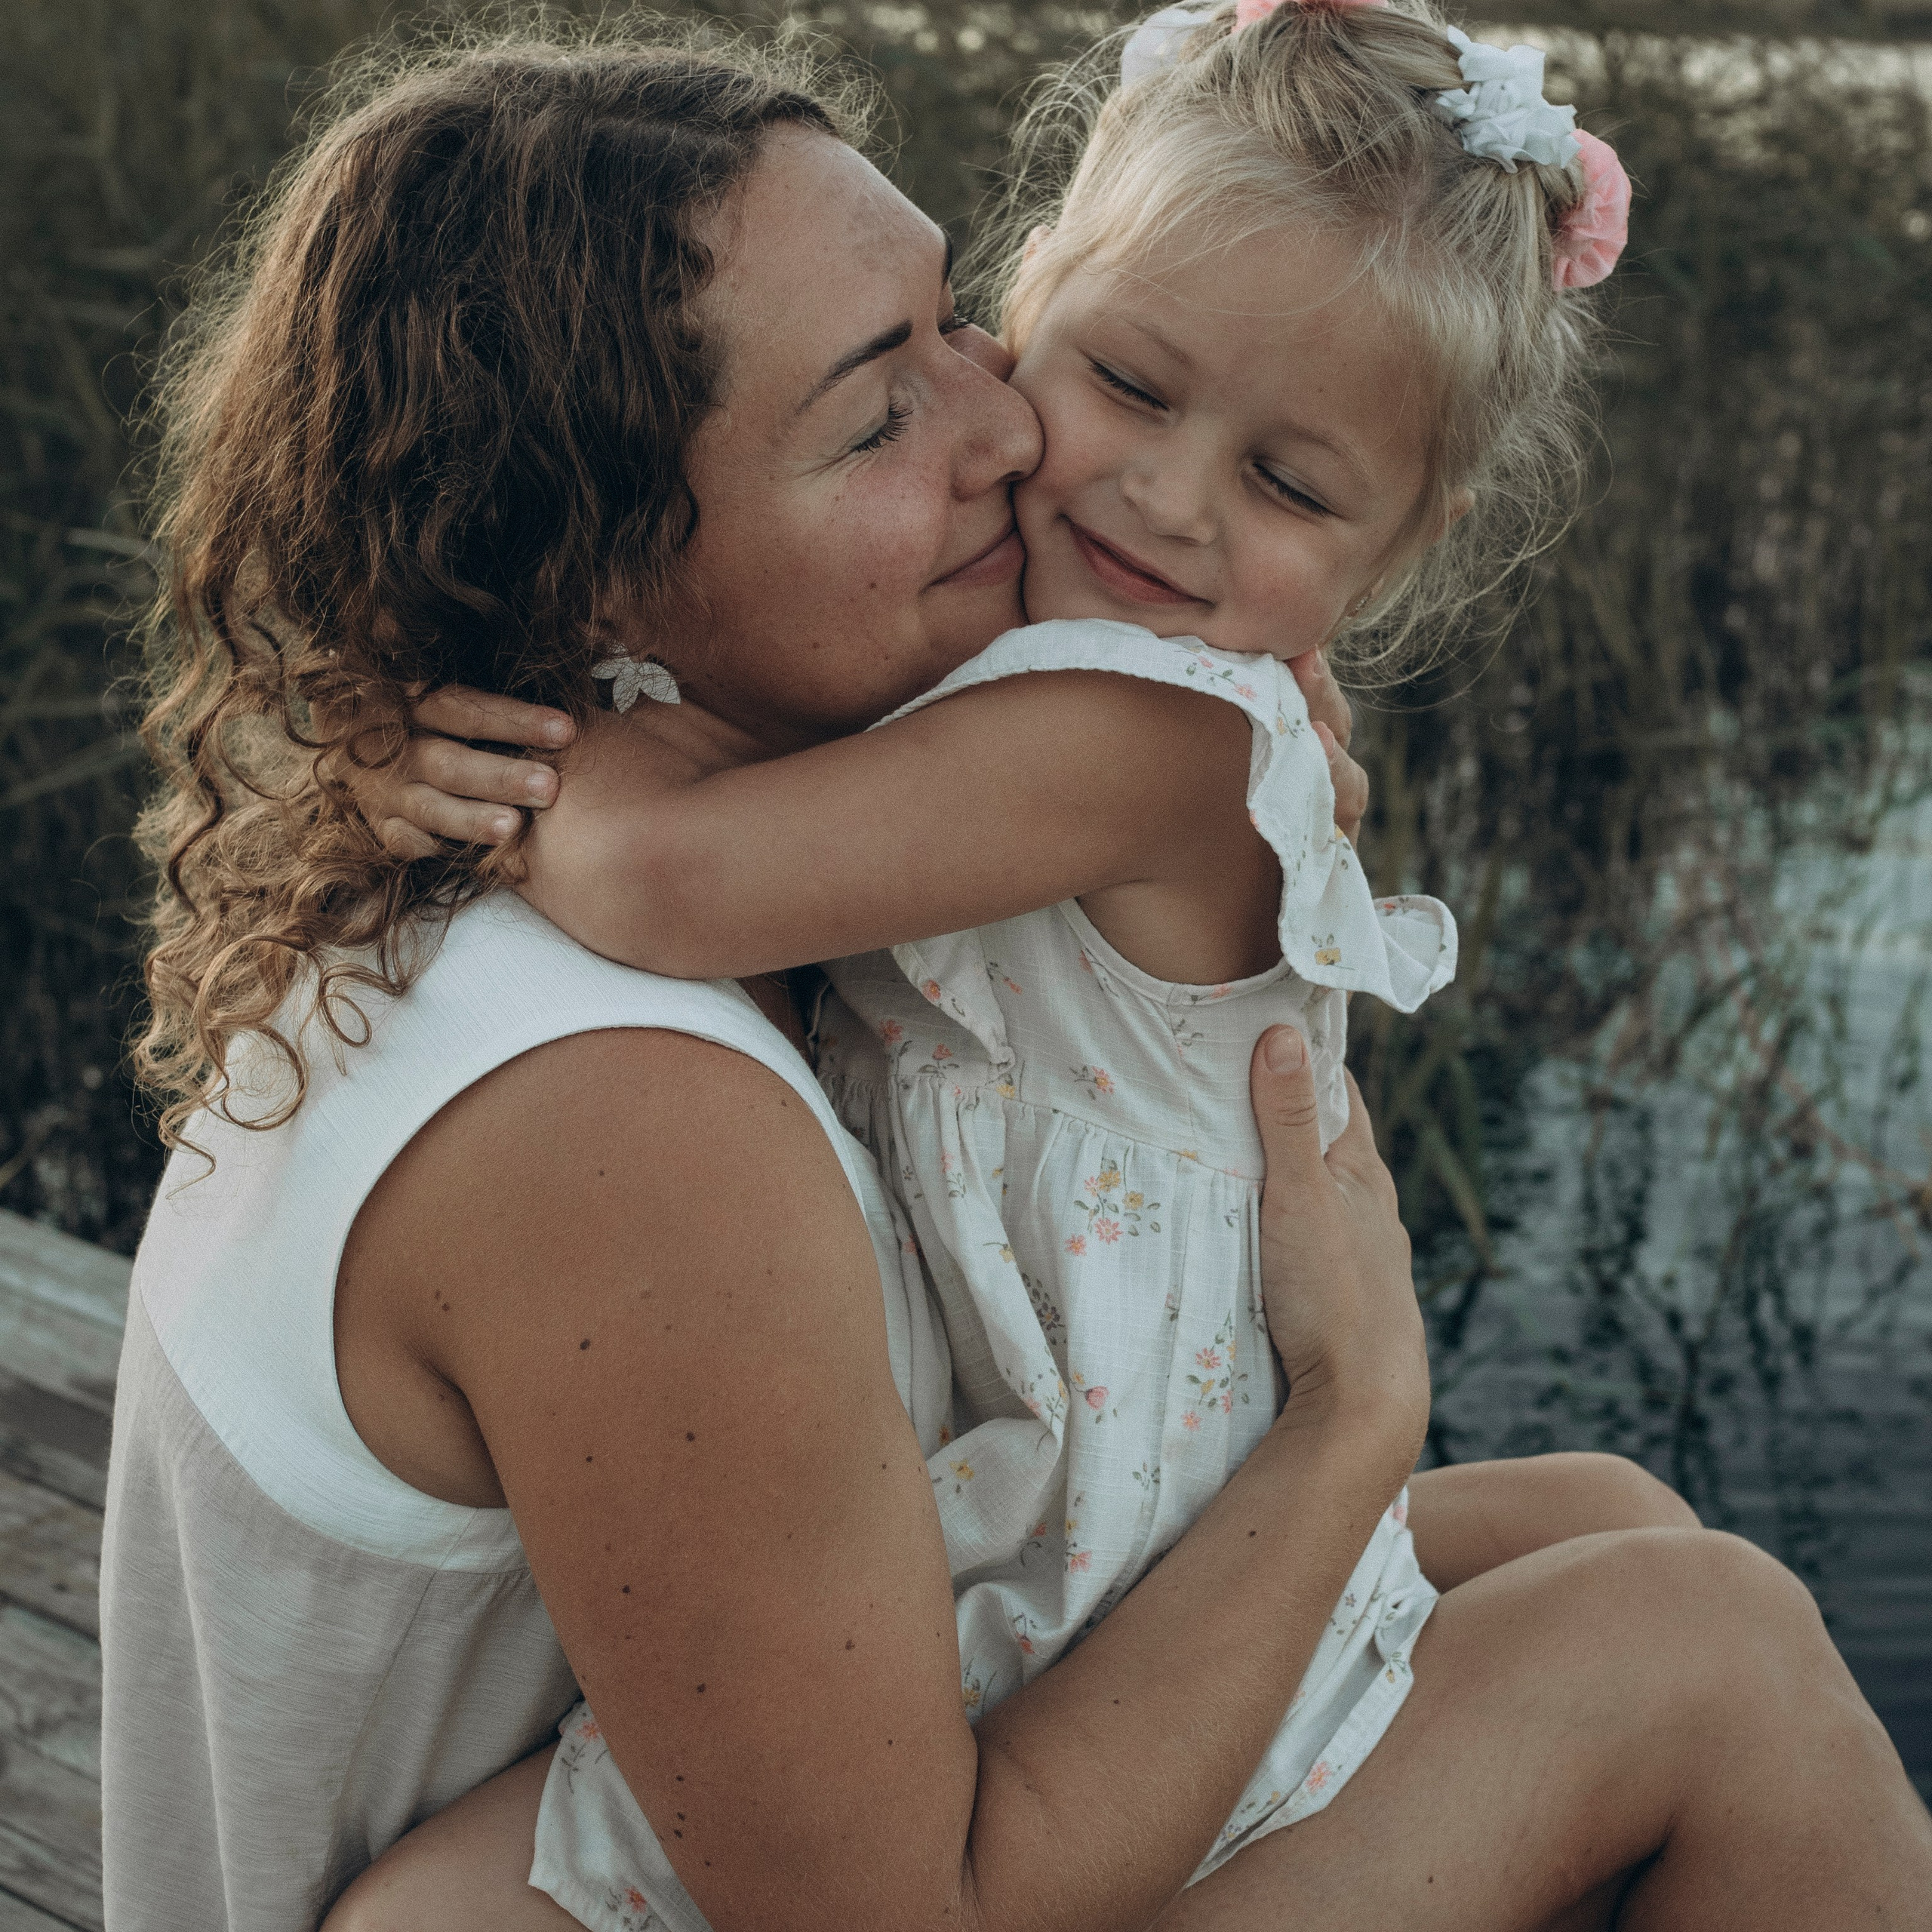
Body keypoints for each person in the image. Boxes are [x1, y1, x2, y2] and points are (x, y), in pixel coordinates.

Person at [106, 20, 1930, 1932]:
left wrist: (384, 720)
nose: (1015, 436)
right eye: (881, 409)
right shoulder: (623, 1099)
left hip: (1015, 1558)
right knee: (1711, 1639)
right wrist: (1354, 1411)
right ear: (596, 566)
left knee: (1617, 1517)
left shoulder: (542, 821)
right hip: (962, 1748)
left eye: (953, 324)